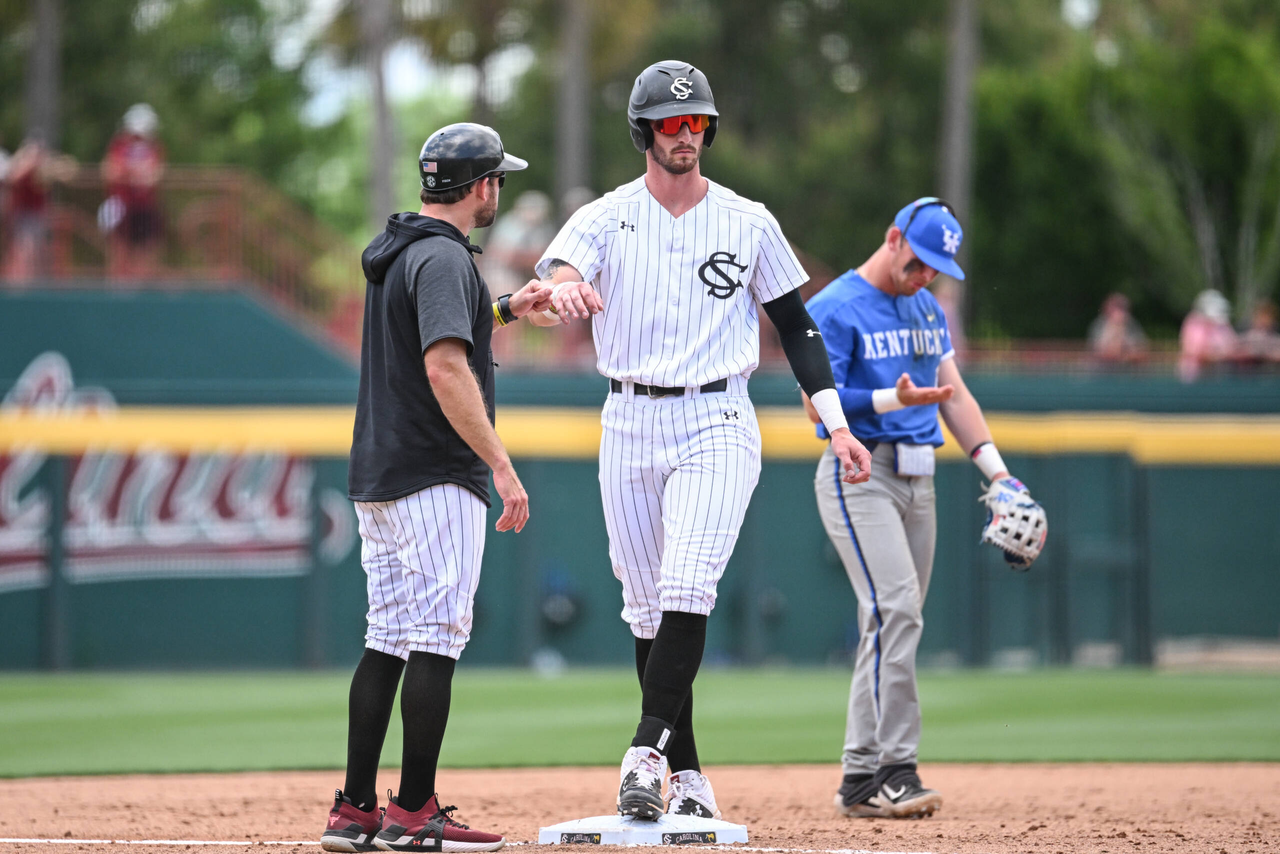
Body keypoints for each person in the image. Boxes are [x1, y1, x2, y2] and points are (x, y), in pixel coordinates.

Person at [531, 60, 872, 822]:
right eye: (671, 122)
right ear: (644, 131)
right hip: (627, 416)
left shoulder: (748, 220)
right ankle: (687, 778)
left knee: (688, 585)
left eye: (697, 123)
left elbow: (798, 327)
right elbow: (557, 268)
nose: (686, 135)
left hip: (716, 416)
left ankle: (645, 751)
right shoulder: (608, 214)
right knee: (647, 609)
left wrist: (838, 421)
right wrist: (559, 288)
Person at [321, 122, 552, 853]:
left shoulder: (403, 250)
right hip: (433, 472)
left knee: (387, 635)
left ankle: (355, 808)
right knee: (437, 636)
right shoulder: (448, 259)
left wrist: (511, 308)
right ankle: (415, 811)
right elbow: (446, 366)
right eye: (498, 181)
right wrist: (501, 464)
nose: (499, 193)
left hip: (379, 473)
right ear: (481, 186)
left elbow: (446, 326)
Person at [804, 198, 1045, 820]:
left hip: (921, 476)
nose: (925, 276)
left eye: (936, 268)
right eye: (919, 262)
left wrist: (1001, 476)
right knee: (897, 610)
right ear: (892, 239)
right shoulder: (833, 307)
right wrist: (892, 397)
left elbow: (954, 395)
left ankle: (859, 778)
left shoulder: (927, 308)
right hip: (860, 472)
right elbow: (814, 405)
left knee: (888, 622)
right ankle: (895, 769)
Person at [101, 103, 166, 278]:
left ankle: (141, 289)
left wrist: (136, 172)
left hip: (145, 207)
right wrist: (136, 172)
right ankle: (120, 291)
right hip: (122, 206)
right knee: (119, 252)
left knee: (146, 252)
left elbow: (155, 174)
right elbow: (111, 171)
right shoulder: (119, 145)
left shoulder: (154, 147)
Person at [1178, 289, 1236, 382]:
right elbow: (1193, 351)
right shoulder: (1193, 324)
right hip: (1195, 377)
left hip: (1218, 376)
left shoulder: (1223, 325)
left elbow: (1232, 346)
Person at [1087, 293, 1147, 363]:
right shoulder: (1099, 325)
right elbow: (1095, 351)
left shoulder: (1132, 325)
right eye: (1117, 307)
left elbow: (1142, 351)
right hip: (1102, 369)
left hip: (1128, 369)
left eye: (1122, 308)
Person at [1236, 299, 1280, 368]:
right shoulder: (1245, 338)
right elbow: (1234, 352)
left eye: (1267, 317)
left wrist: (1265, 355)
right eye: (1261, 316)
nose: (1264, 320)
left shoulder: (1276, 339)